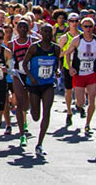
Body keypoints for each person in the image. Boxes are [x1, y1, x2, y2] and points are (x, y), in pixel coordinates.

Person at [22, 24, 61, 155]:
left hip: (48, 83)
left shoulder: (56, 48)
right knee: (36, 115)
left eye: (50, 32)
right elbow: (24, 63)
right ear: (40, 33)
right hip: (34, 84)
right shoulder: (34, 47)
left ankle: (39, 144)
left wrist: (58, 71)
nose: (47, 34)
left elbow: (57, 64)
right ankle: (32, 112)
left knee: (47, 111)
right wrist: (30, 77)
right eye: (45, 31)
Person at [65, 17, 96, 136]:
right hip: (79, 74)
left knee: (92, 99)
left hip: (92, 74)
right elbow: (67, 53)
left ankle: (87, 124)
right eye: (85, 27)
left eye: (90, 27)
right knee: (81, 102)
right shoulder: (77, 40)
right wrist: (70, 67)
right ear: (82, 27)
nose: (88, 29)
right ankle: (78, 105)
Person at [8, 21, 36, 147]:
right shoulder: (12, 44)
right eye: (20, 27)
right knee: (19, 103)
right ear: (16, 29)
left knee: (27, 104)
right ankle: (22, 134)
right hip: (18, 74)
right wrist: (8, 70)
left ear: (29, 28)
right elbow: (8, 59)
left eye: (25, 27)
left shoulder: (34, 42)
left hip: (32, 75)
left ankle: (24, 119)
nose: (23, 29)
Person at [57, 13, 81, 126]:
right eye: (72, 21)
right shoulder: (64, 38)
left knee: (83, 89)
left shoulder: (82, 35)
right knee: (69, 90)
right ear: (68, 22)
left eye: (76, 21)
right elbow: (58, 54)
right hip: (68, 67)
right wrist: (68, 52)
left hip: (81, 67)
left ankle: (79, 104)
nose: (74, 23)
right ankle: (69, 112)